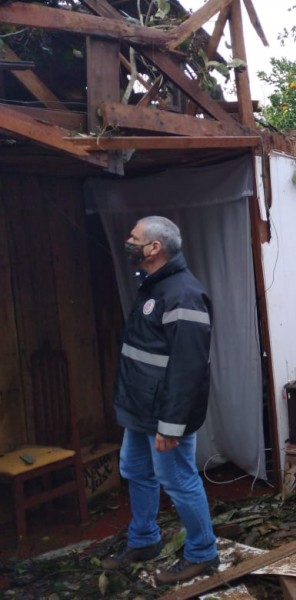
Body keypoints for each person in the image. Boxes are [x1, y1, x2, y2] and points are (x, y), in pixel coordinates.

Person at [101, 216, 219, 586]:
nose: (128, 242)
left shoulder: (183, 294)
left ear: (155, 248)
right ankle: (144, 540)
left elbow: (188, 370)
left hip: (165, 414)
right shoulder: (153, 286)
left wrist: (171, 427)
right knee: (135, 470)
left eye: (134, 238)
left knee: (177, 478)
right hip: (139, 409)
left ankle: (203, 553)